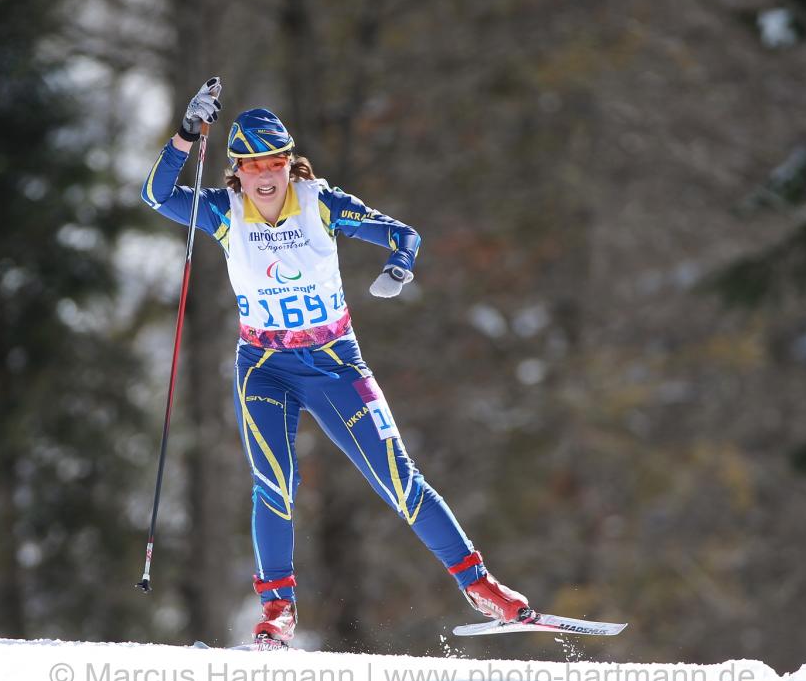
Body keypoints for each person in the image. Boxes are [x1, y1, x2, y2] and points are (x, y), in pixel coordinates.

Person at [141, 78, 529, 644]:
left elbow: (404, 235)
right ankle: (278, 609)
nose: (266, 175)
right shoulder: (225, 215)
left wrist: (399, 268)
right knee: (273, 484)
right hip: (263, 366)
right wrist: (184, 135)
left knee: (397, 477)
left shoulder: (319, 204)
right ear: (237, 172)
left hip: (334, 364)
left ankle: (481, 585)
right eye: (252, 165)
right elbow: (157, 196)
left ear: (289, 164)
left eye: (275, 161)